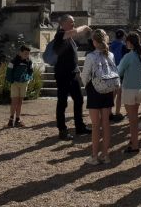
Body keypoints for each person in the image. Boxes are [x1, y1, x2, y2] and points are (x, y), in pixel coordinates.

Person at [80, 29, 116, 165]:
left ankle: (94, 156)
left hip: (94, 90)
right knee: (106, 124)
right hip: (107, 90)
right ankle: (105, 155)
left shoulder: (90, 56)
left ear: (94, 42)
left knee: (96, 126)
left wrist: (87, 86)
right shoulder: (111, 55)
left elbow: (85, 75)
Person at [53, 15, 92, 140]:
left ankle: (79, 127)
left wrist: (77, 70)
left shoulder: (69, 38)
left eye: (74, 22)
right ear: (63, 23)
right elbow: (75, 32)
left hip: (73, 73)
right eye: (71, 22)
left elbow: (71, 55)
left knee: (79, 99)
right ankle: (62, 130)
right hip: (63, 75)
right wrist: (85, 27)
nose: (73, 24)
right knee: (62, 102)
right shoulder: (60, 34)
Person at [117, 32, 141, 153]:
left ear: (130, 42)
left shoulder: (129, 56)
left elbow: (119, 71)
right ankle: (133, 140)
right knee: (134, 118)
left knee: (132, 119)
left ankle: (134, 144)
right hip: (140, 89)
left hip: (129, 89)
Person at [6, 45, 34, 128]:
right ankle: (11, 120)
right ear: (20, 52)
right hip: (15, 83)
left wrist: (28, 78)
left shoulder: (29, 62)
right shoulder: (13, 61)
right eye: (25, 53)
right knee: (14, 101)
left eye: (28, 54)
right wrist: (12, 81)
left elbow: (31, 72)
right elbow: (8, 72)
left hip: (24, 83)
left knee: (20, 102)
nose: (27, 55)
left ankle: (17, 119)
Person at [110, 29, 128, 123]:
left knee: (112, 93)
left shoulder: (111, 45)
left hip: (111, 71)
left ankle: (109, 112)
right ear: (123, 36)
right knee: (119, 93)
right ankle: (117, 113)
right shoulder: (124, 46)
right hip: (120, 71)